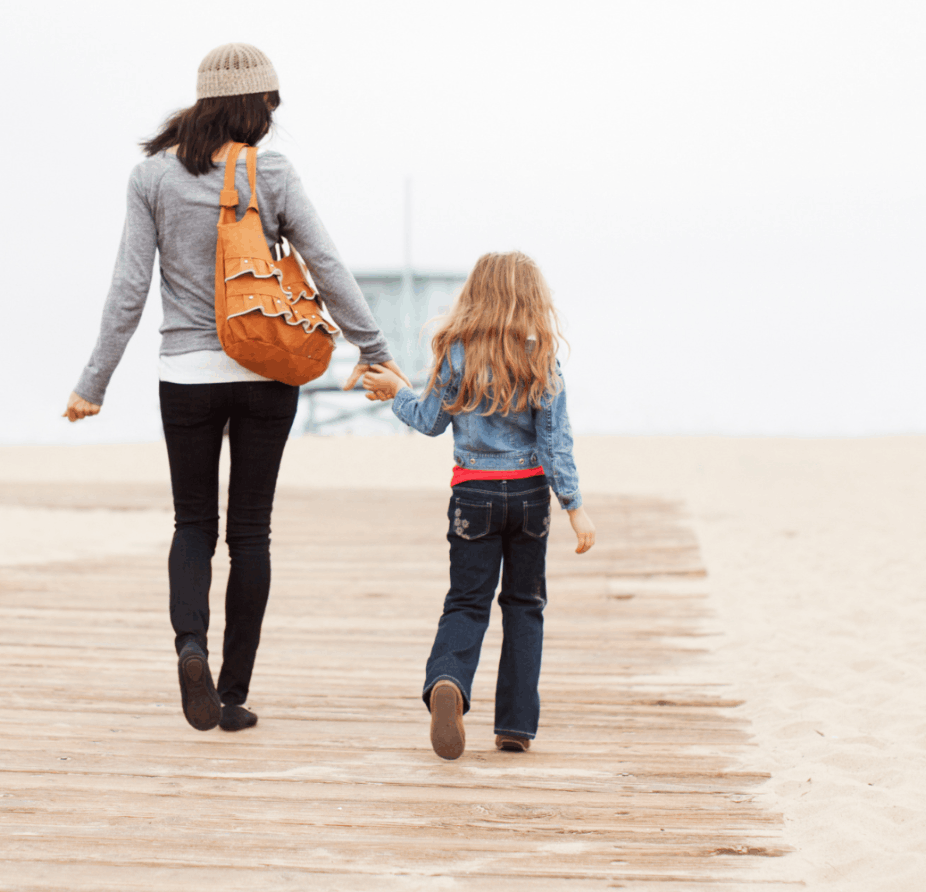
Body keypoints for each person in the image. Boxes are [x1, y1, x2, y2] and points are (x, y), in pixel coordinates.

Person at [63, 43, 406, 733]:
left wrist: (92, 382)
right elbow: (328, 266)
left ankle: (189, 643)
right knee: (251, 532)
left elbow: (129, 290)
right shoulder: (271, 172)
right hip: (265, 371)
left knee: (194, 523)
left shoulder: (151, 179)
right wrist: (377, 351)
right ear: (256, 104)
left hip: (184, 374)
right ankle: (230, 693)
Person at [359, 251, 596, 759]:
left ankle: (449, 680)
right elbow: (556, 441)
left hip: (474, 495)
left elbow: (428, 420)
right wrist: (574, 504)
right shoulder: (540, 354)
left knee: (467, 603)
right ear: (532, 297)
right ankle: (514, 726)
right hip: (530, 497)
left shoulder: (458, 351)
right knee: (524, 607)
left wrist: (398, 392)